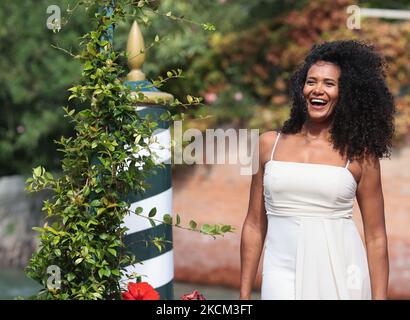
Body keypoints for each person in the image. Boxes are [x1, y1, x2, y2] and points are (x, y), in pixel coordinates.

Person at [240, 40, 394, 300]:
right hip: (280, 273)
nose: (317, 90)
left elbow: (376, 237)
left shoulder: (360, 155)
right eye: (311, 81)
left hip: (341, 274)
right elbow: (254, 225)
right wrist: (243, 295)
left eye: (329, 83)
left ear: (346, 93)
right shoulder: (267, 144)